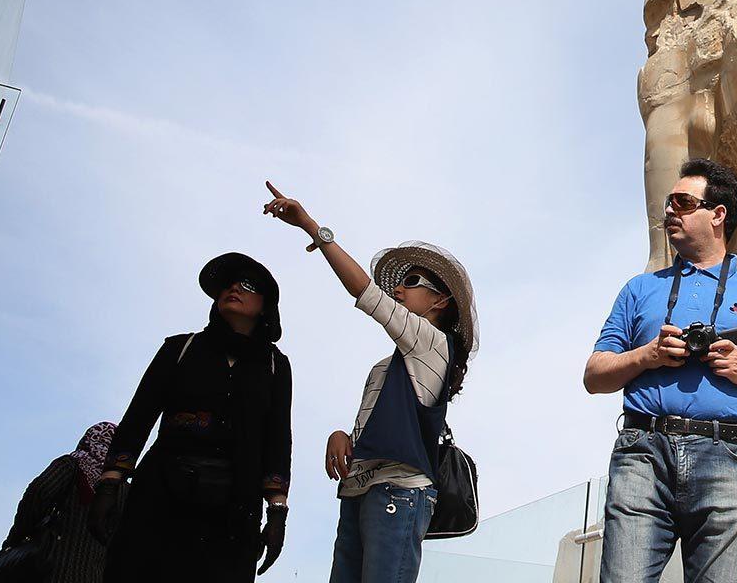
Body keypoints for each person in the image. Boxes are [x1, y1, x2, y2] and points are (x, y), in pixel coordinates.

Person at [584, 158, 737, 583]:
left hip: (727, 456)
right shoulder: (639, 288)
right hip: (642, 454)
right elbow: (594, 375)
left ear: (717, 214)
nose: (668, 211)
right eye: (668, 203)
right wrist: (645, 355)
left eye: (682, 202)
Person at [260, 182, 479, 583]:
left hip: (399, 490)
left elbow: (363, 289)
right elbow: (374, 427)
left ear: (440, 301)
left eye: (411, 282)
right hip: (359, 491)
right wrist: (343, 434)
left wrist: (312, 227)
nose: (398, 288)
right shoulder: (385, 366)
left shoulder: (434, 343)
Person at [87, 253, 292, 582]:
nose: (234, 288)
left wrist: (277, 512)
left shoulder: (275, 365)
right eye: (228, 283)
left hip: (235, 507)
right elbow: (139, 415)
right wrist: (110, 483)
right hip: (161, 493)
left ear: (266, 304)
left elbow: (278, 437)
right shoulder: (179, 348)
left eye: (248, 285)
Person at [0, 422, 116, 582]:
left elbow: (39, 492)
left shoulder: (71, 465)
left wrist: (17, 536)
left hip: (48, 569)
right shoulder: (122, 489)